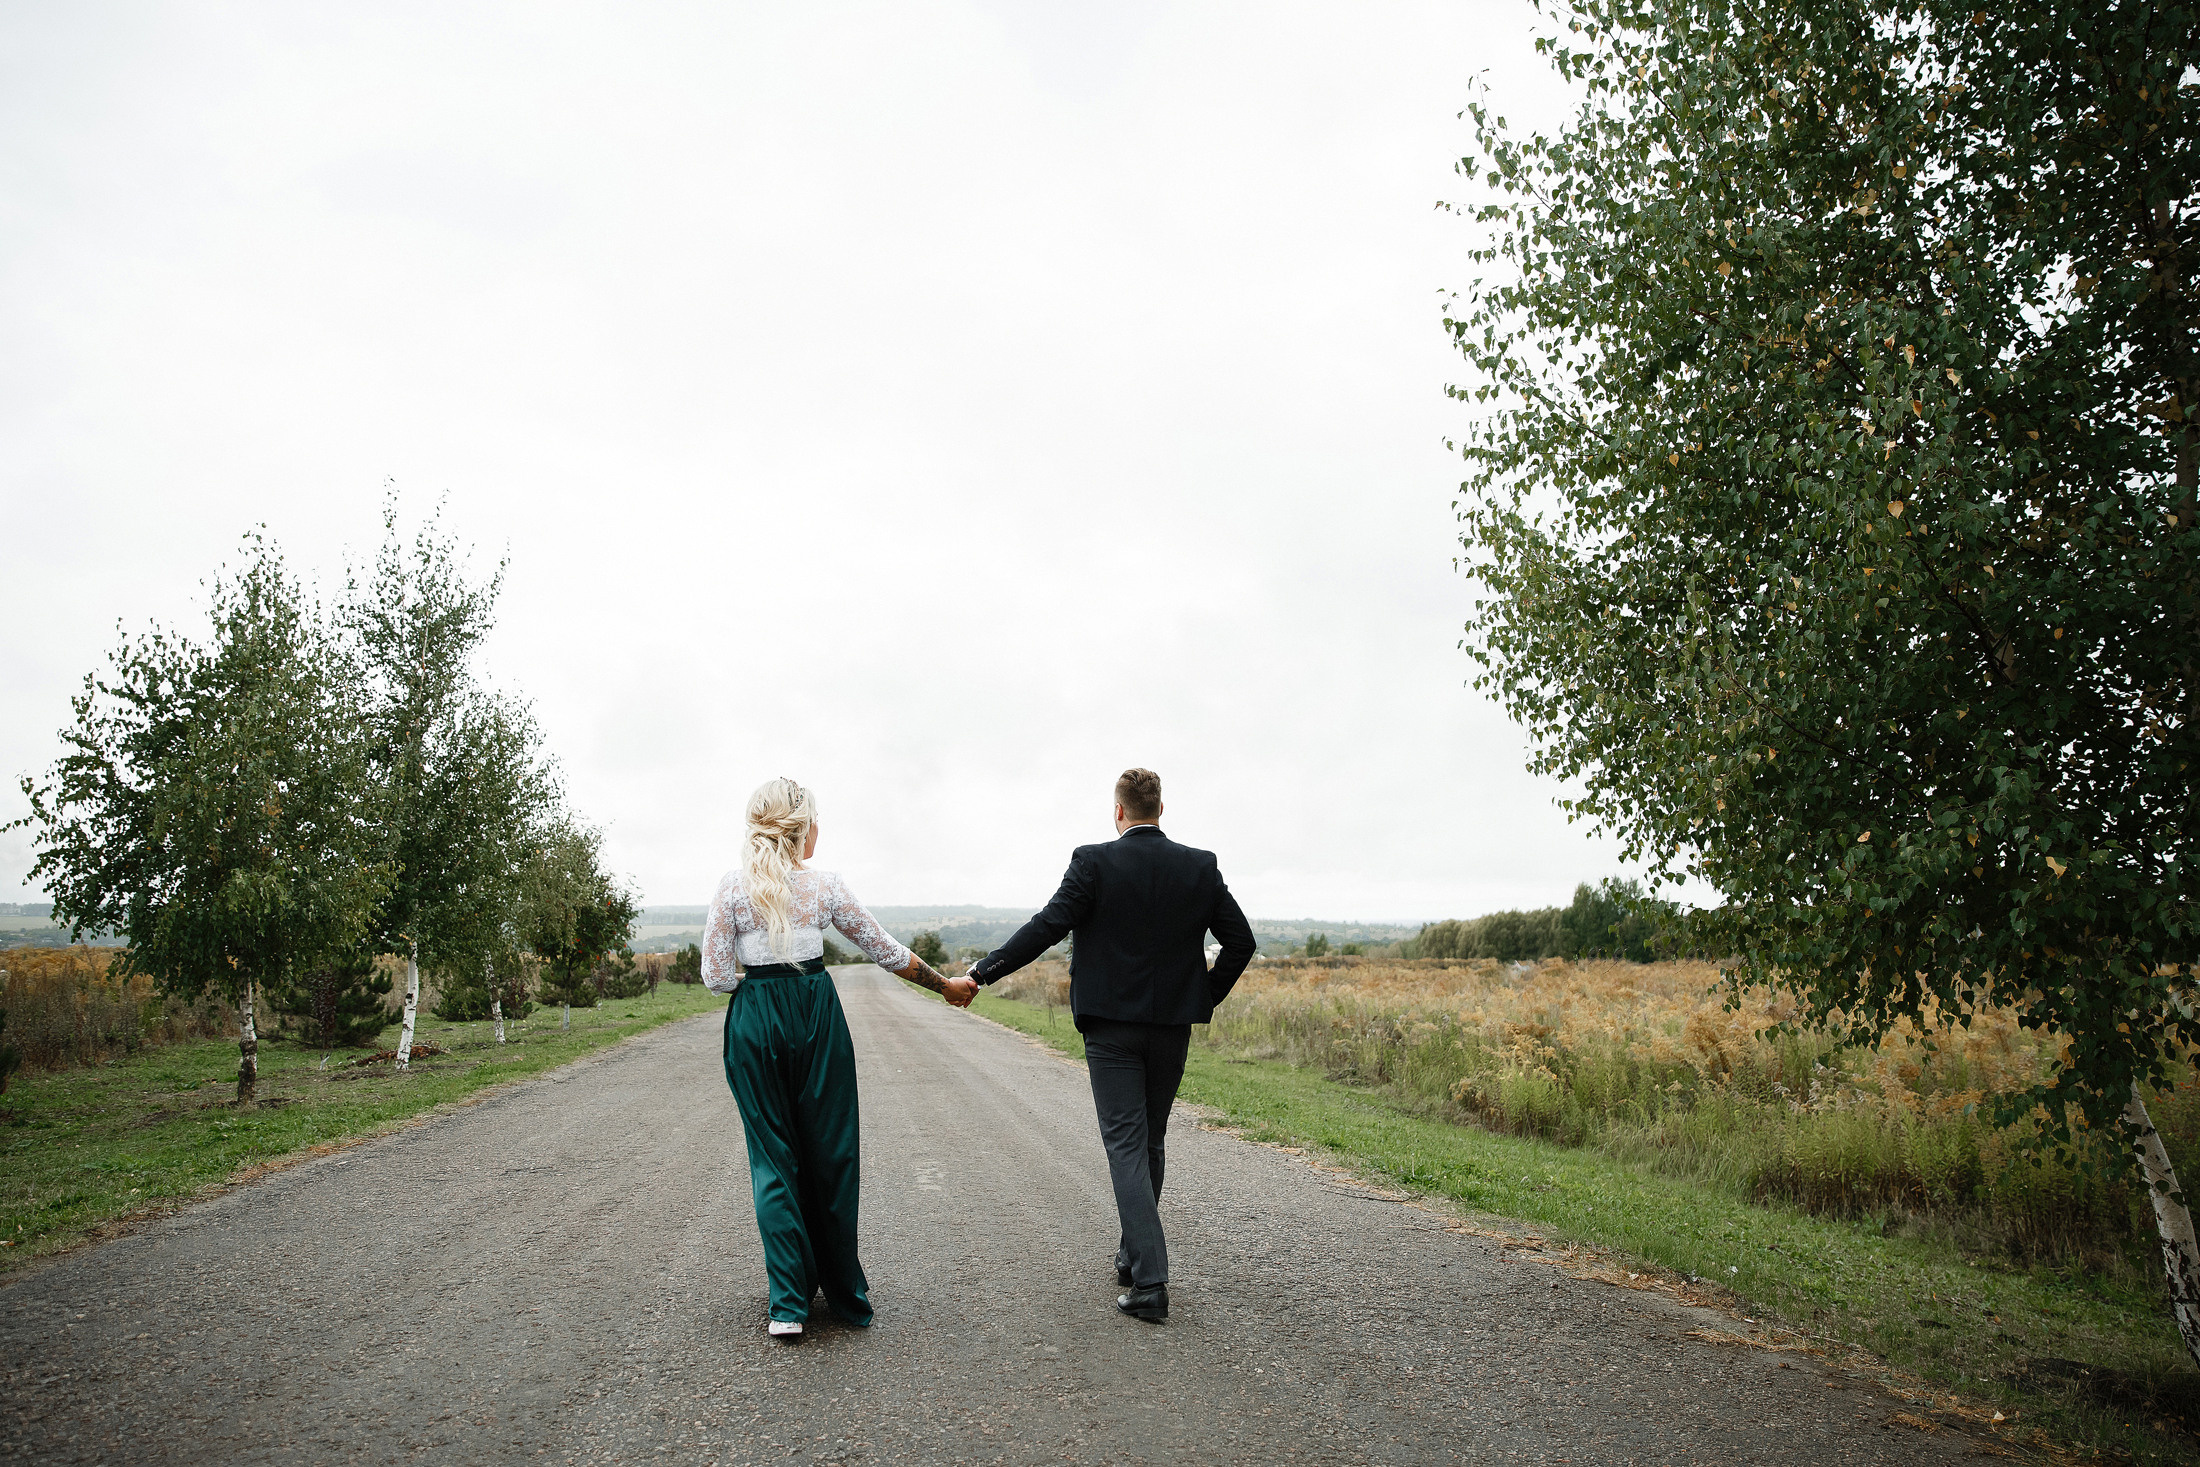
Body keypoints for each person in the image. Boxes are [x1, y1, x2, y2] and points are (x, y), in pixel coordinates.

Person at [967, 767, 1256, 1322]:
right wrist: (1200, 996)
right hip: (1171, 1027)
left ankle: (1150, 1282)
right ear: (1160, 810)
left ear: (1118, 811)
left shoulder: (1093, 862)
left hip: (1110, 1028)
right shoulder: (1199, 866)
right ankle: (1132, 1254)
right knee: (1149, 1141)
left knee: (1126, 1145)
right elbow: (1240, 942)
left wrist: (982, 973)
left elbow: (1046, 927)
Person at [703, 777, 976, 1341]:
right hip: (816, 1018)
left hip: (755, 1020)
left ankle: (787, 1305)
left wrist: (759, 991)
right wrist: (944, 986)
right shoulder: (824, 887)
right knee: (831, 1152)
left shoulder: (732, 888)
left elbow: (715, 976)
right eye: (815, 821)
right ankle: (843, 1292)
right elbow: (883, 949)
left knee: (773, 1159)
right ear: (802, 828)